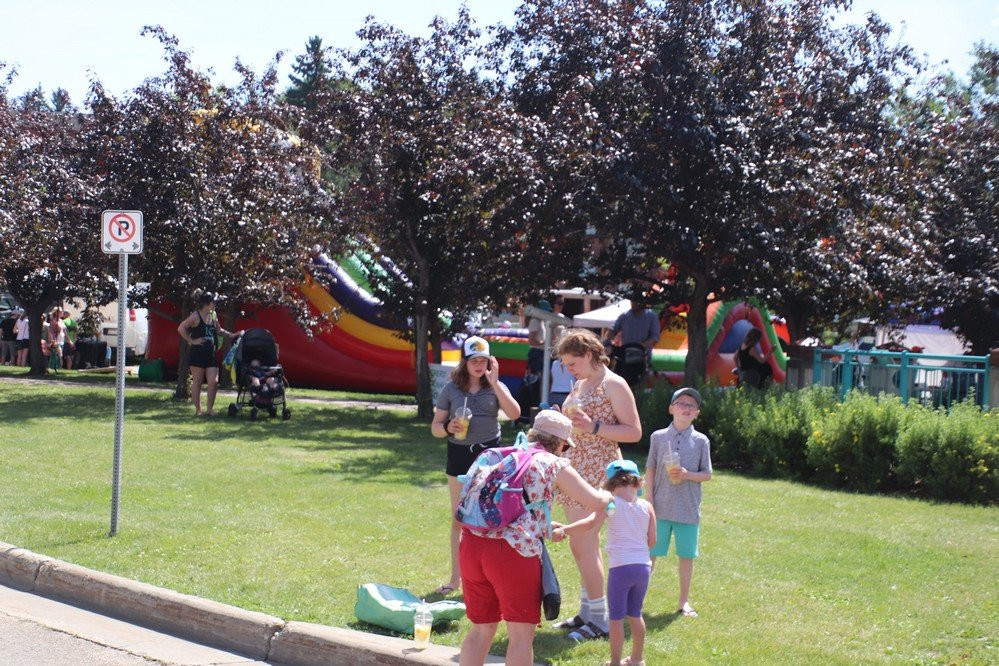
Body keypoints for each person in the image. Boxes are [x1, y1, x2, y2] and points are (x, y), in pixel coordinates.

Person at [458, 410, 614, 666]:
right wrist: (607, 495)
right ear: (561, 443)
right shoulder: (552, 463)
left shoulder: (498, 454)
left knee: (481, 629)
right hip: (512, 554)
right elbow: (594, 501)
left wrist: (541, 524)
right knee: (520, 636)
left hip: (472, 545)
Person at [552, 328, 642, 640]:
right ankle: (587, 612)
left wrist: (595, 426)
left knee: (582, 544)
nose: (568, 369)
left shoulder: (613, 384)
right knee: (584, 547)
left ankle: (601, 621)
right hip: (576, 468)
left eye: (572, 362)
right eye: (565, 364)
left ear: (589, 355)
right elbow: (576, 424)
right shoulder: (580, 383)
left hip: (599, 470)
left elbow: (634, 432)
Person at [431, 336, 521, 597]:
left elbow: (515, 413)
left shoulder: (495, 386)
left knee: (491, 517)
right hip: (459, 455)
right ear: (465, 362)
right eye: (474, 360)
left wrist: (496, 384)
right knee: (459, 518)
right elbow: (436, 428)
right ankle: (455, 579)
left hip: (490, 457)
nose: (479, 365)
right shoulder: (451, 389)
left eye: (484, 360)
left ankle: (490, 579)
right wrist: (447, 427)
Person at [554, 459, 656, 665]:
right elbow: (652, 541)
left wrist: (564, 529)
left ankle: (615, 662)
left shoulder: (612, 505)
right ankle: (637, 659)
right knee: (635, 614)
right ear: (637, 483)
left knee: (616, 619)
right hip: (643, 567)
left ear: (610, 484)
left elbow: (590, 523)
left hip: (621, 569)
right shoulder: (647, 507)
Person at [646, 387, 712, 618]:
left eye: (691, 406)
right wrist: (649, 500)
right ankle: (637, 599)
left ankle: (684, 601)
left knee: (686, 556)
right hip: (660, 507)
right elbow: (651, 469)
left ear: (697, 413)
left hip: (688, 509)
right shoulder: (658, 437)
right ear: (671, 408)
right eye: (681, 403)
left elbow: (707, 474)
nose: (686, 408)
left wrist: (686, 474)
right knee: (650, 554)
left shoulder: (701, 441)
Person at [177, 290, 240, 417]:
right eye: (213, 301)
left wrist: (232, 335)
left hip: (210, 354)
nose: (215, 303)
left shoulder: (213, 315)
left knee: (213, 381)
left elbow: (219, 330)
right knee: (198, 381)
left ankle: (210, 409)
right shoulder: (195, 316)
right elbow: (181, 328)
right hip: (197, 354)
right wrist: (191, 340)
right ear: (206, 303)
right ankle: (198, 410)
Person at [603, 294, 660, 388]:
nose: (634, 304)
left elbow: (654, 337)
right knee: (623, 380)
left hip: (642, 356)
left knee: (639, 383)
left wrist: (640, 346)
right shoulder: (624, 316)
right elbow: (613, 330)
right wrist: (608, 342)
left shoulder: (651, 316)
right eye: (633, 301)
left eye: (637, 301)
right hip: (625, 355)